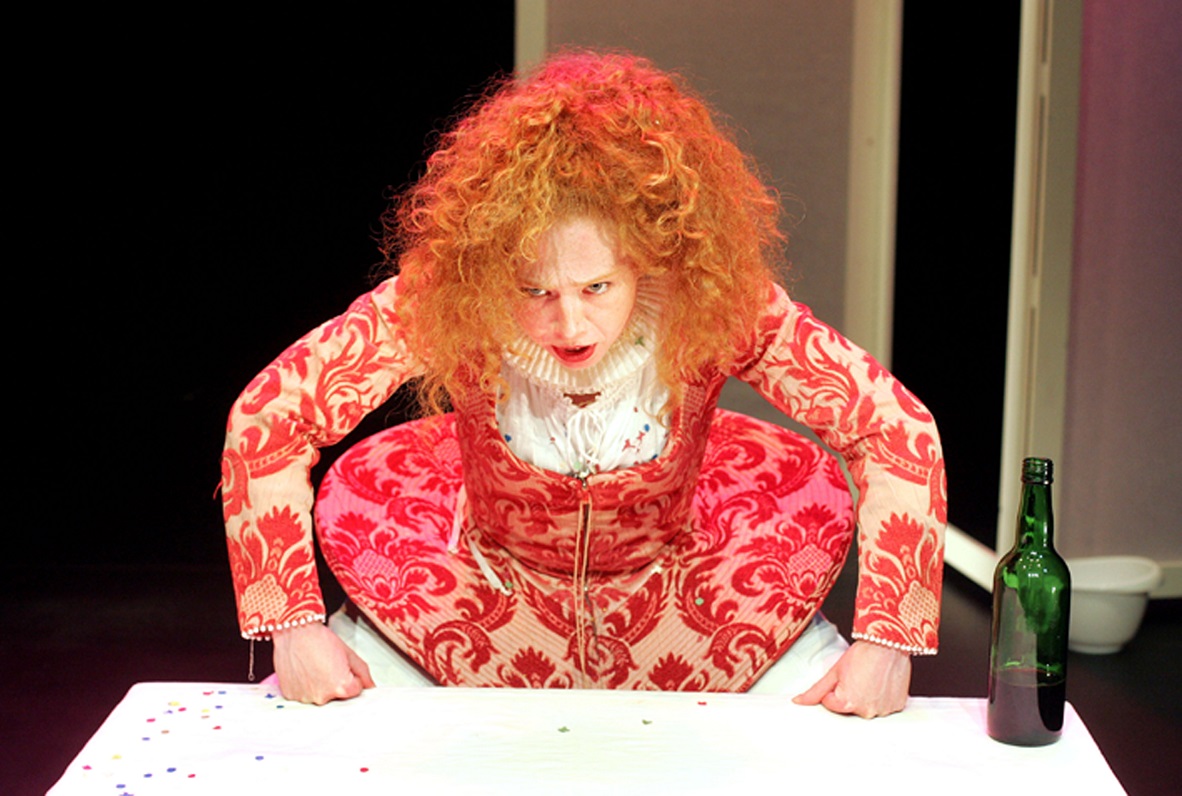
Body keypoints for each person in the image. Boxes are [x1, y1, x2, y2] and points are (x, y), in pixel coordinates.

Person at [220, 50, 946, 718]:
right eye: (533, 291)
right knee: (312, 730)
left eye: (598, 286)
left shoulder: (717, 297)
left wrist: (887, 641)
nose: (568, 324)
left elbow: (894, 429)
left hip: (687, 594)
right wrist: (293, 628)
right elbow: (269, 416)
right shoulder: (447, 294)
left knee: (839, 743)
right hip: (475, 590)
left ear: (647, 257)